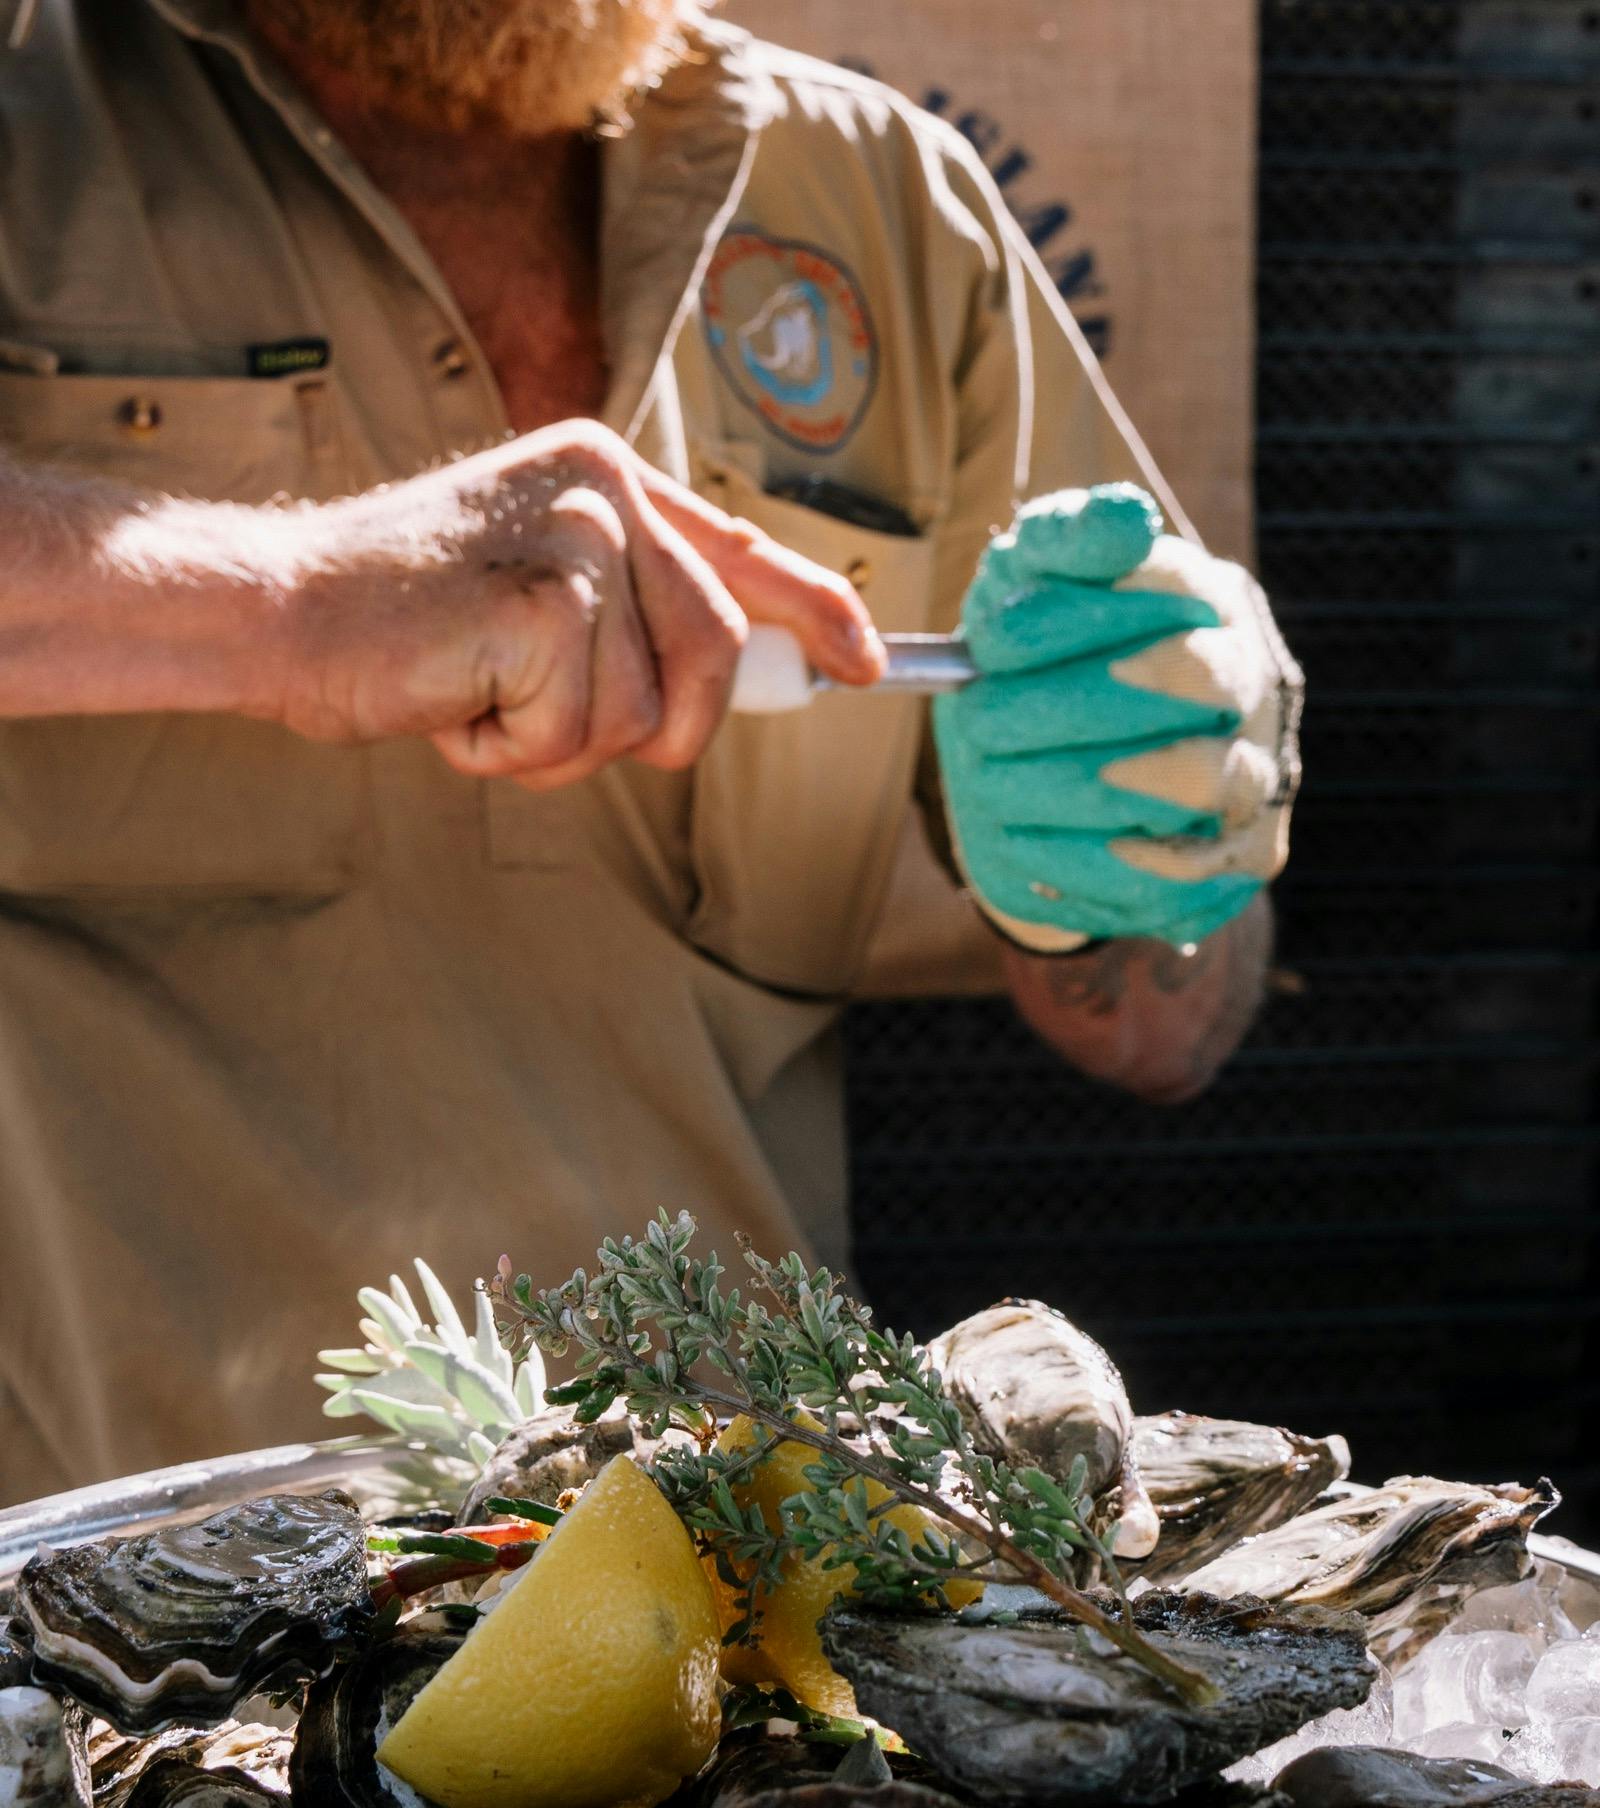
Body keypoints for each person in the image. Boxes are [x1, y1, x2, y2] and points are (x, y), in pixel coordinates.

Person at [0, 0, 1298, 1500]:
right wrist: (293, 599)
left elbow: (1168, 1028)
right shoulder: (38, 106)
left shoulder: (885, 200)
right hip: (93, 1628)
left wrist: (1153, 832)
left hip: (744, 1601)